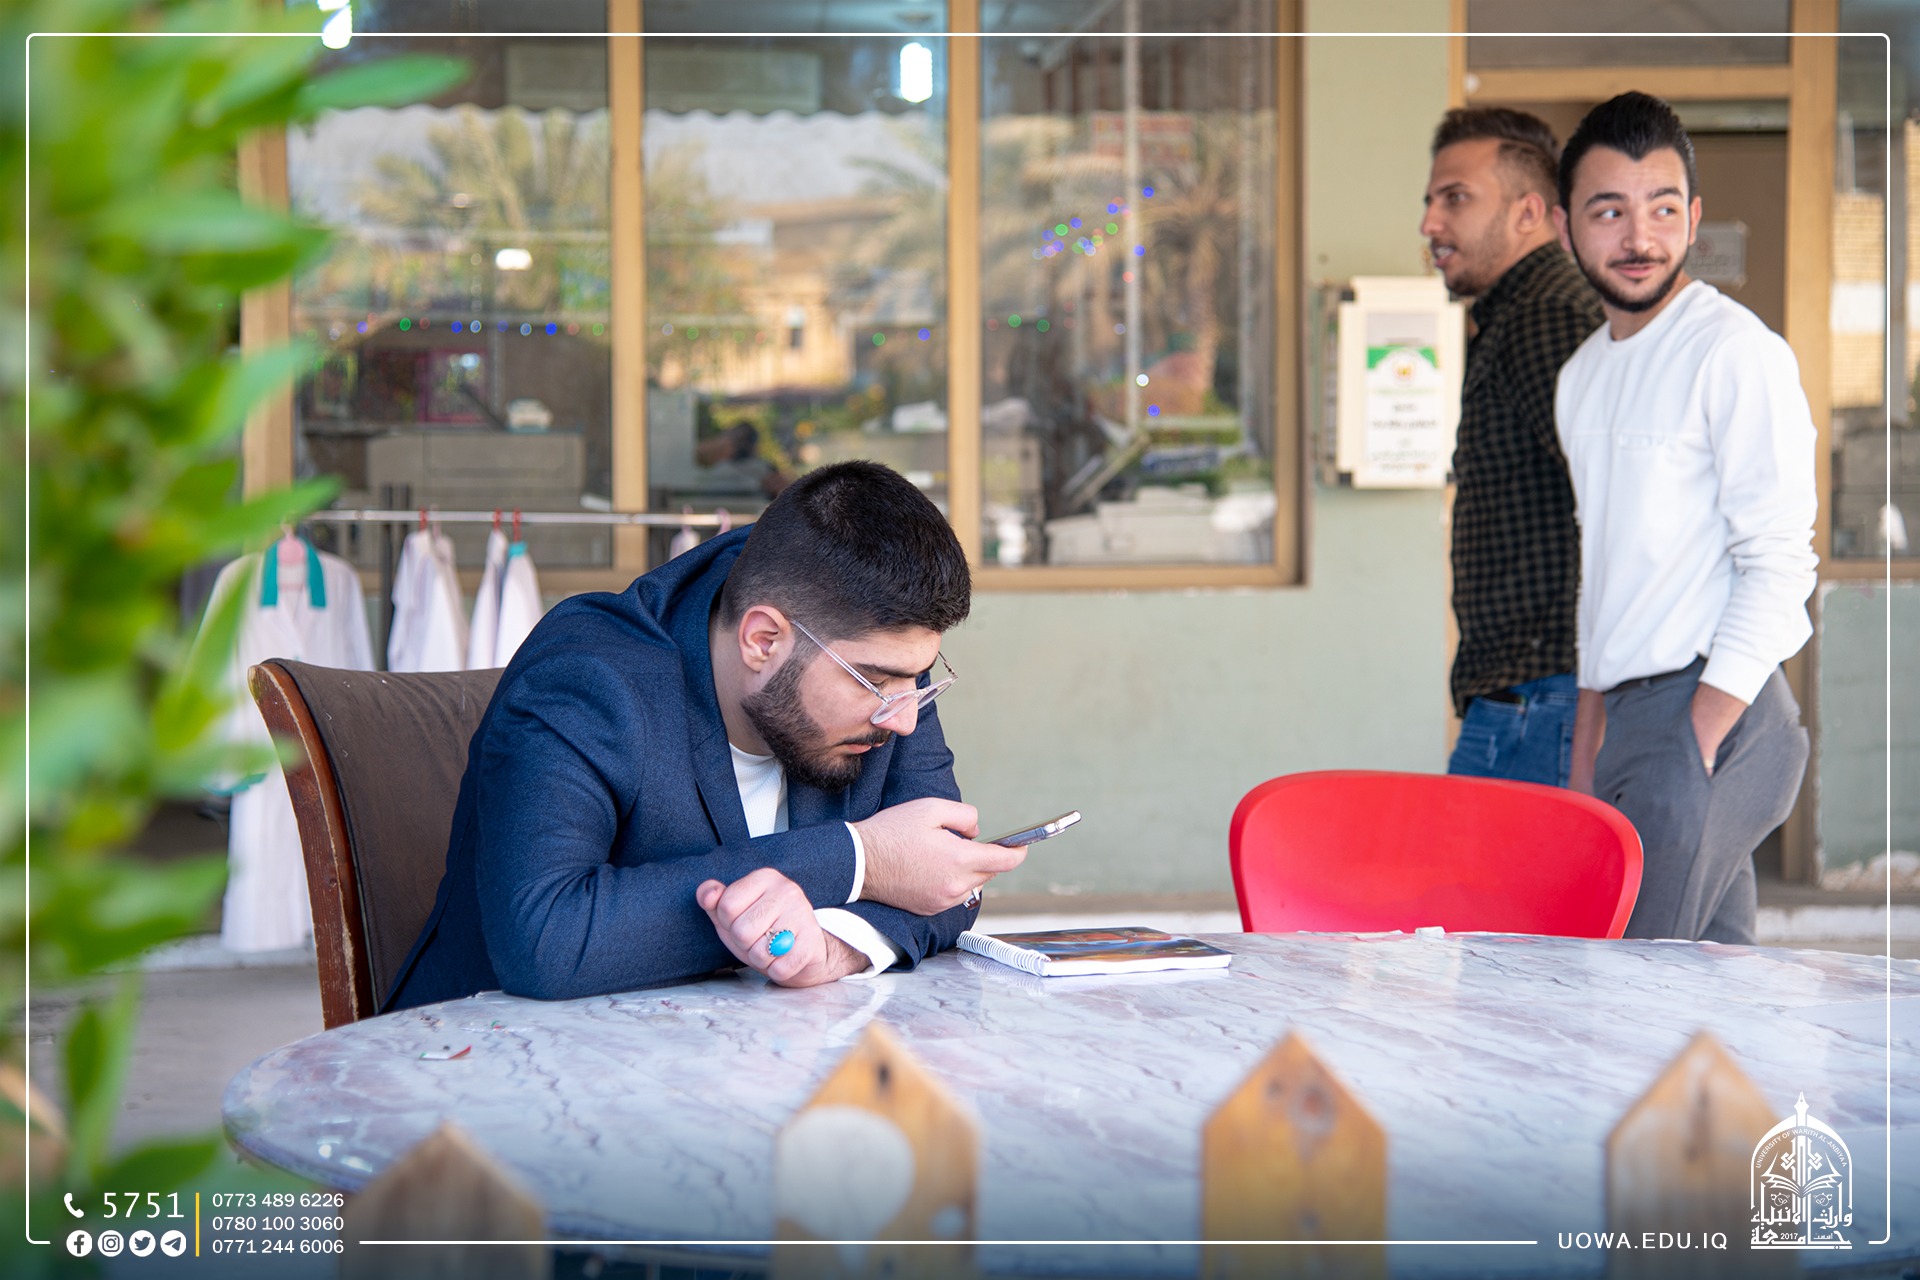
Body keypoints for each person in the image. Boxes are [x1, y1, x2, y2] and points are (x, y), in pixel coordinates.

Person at [386, 461, 1027, 1010]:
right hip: (483, 1072)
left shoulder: (883, 673)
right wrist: (861, 860)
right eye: (878, 682)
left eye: (920, 679)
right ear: (763, 640)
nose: (905, 717)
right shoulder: (587, 678)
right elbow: (545, 941)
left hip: (740, 1062)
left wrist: (833, 948)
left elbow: (945, 876)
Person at [1553, 92, 1817, 942]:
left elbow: (1780, 561)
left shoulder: (1735, 352)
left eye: (1663, 209)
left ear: (1694, 218)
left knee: (1627, 984)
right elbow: (1604, 570)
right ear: (1564, 226)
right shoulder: (1581, 376)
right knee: (1709, 989)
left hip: (1717, 711)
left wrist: (1698, 740)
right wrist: (1587, 747)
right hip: (1628, 720)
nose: (1640, 237)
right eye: (1609, 211)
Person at [1422, 107, 1603, 786]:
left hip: (1544, 698)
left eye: (1455, 199)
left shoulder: (1544, 316)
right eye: (1430, 201)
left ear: (1529, 212)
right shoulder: (1512, 316)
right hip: (1533, 696)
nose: (1430, 223)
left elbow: (1609, 496)